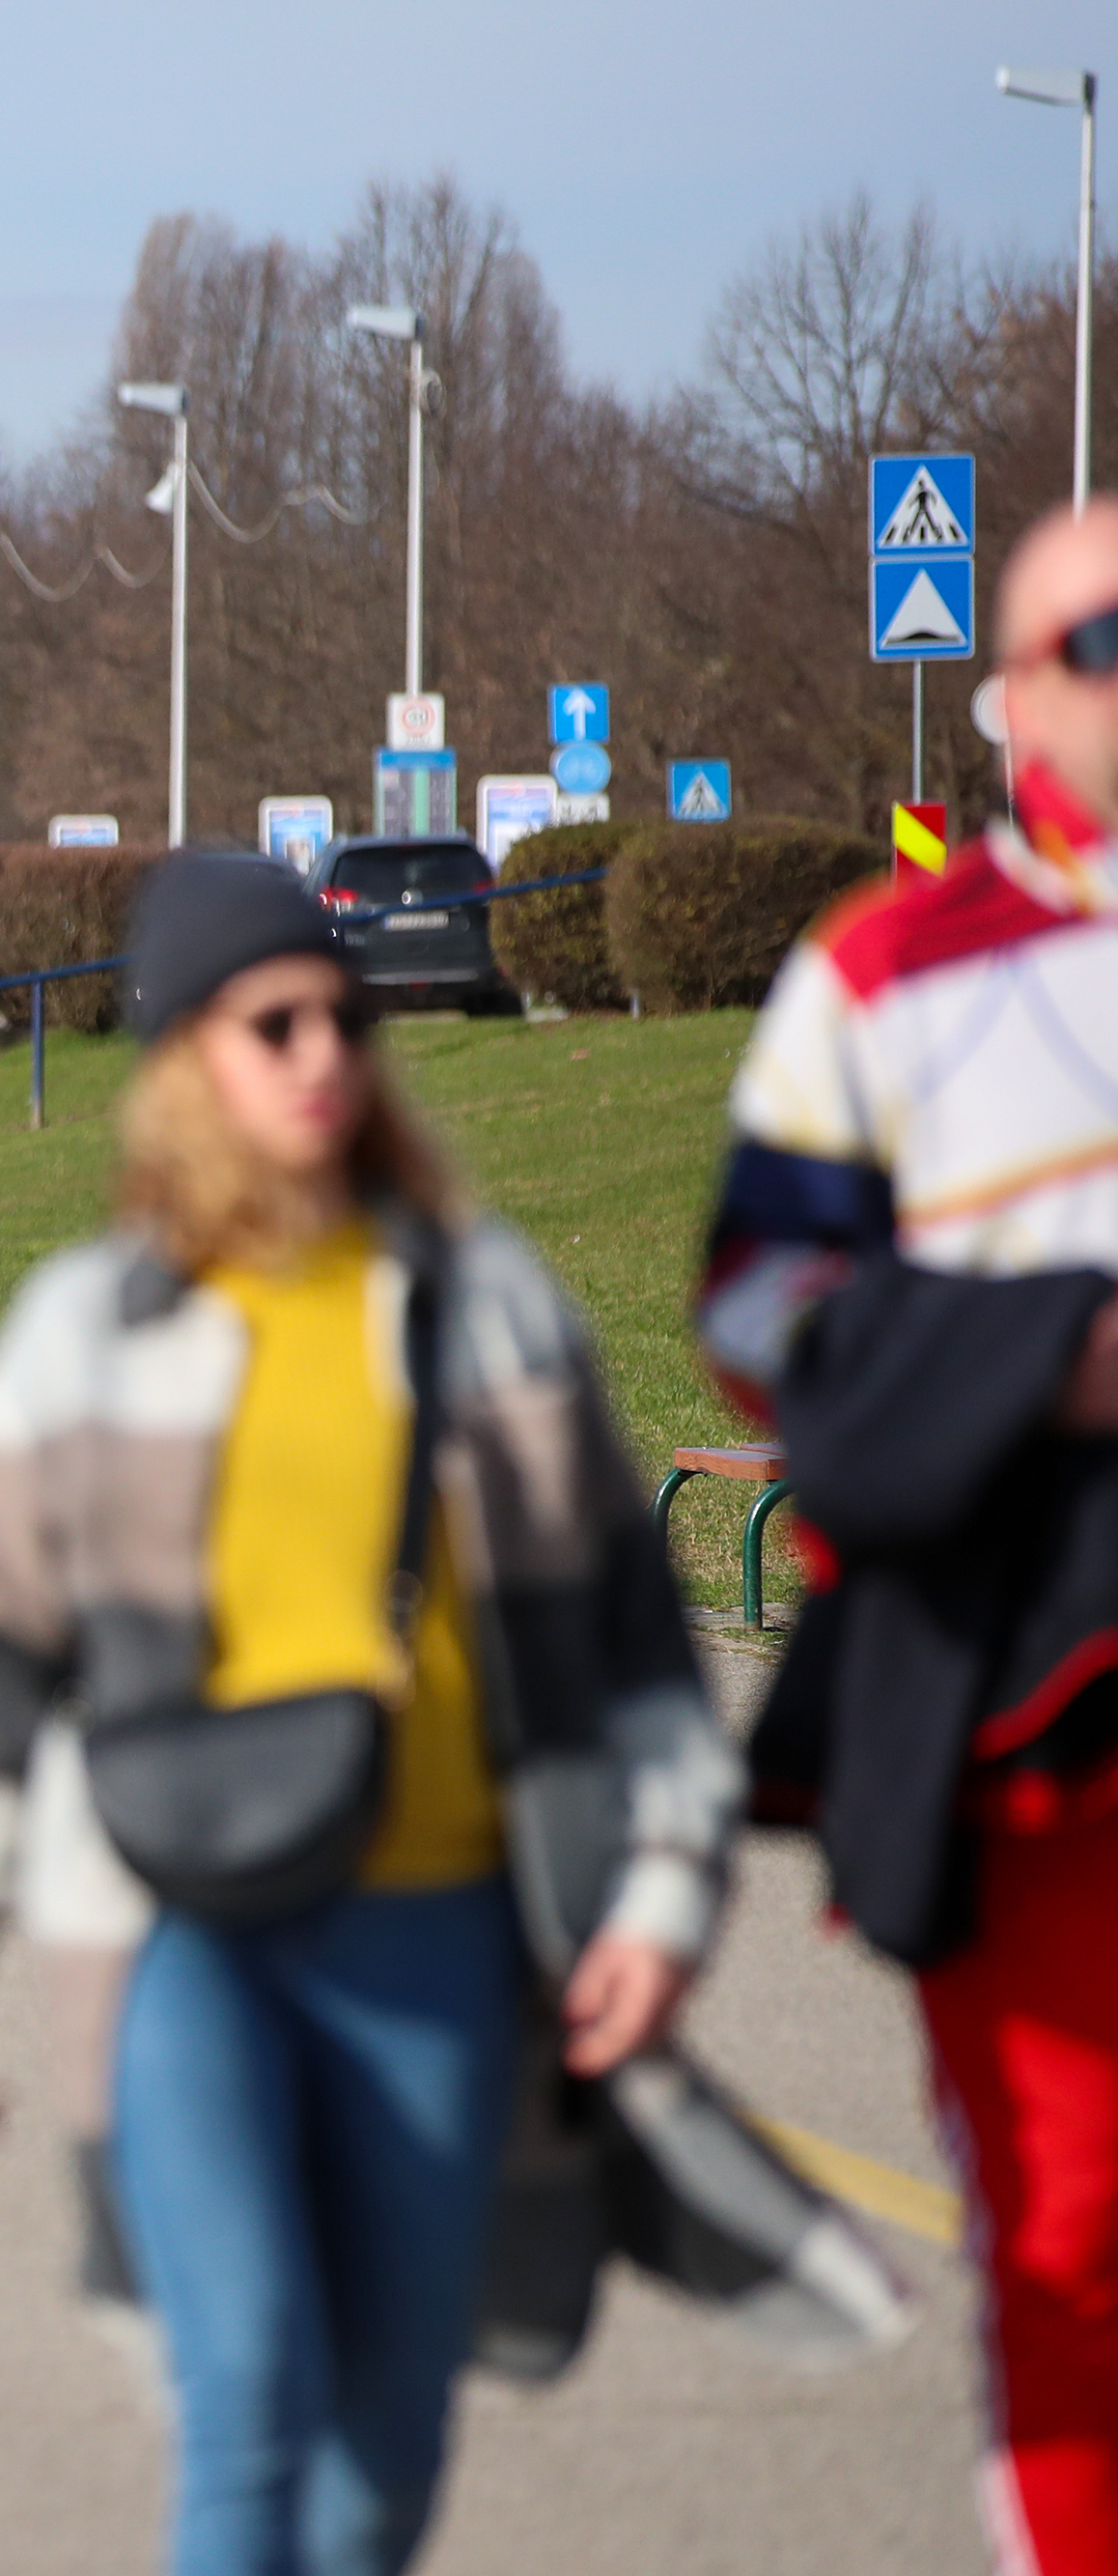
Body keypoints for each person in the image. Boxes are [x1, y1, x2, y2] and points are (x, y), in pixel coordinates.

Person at [0, 856, 795, 2576]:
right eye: (270, 1020)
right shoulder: (83, 1337)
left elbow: (638, 1655)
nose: (322, 1053)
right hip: (175, 1936)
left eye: (345, 1018)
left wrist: (665, 1901)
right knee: (249, 2397)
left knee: (385, 2443)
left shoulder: (484, 1307)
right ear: (181, 1061)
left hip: (436, 1934)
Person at [704, 500, 1118, 2575]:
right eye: (1105, 636)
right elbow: (752, 1311)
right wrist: (1038, 1361)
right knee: (1072, 2241)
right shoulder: (884, 968)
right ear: (1014, 690)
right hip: (1030, 1700)